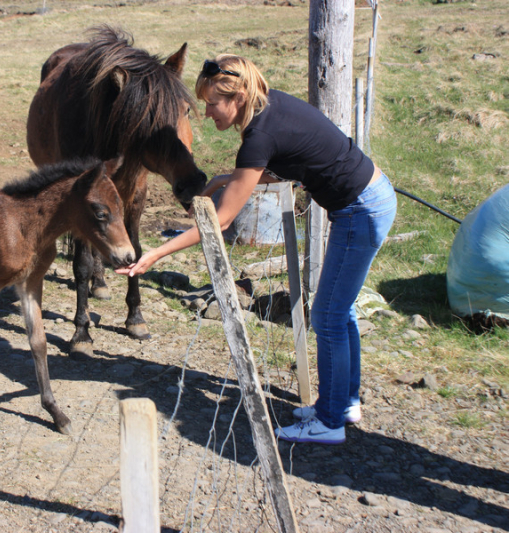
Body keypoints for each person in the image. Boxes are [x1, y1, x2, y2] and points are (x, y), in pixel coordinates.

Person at [114, 54, 397, 445]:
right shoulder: (271, 108)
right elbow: (276, 166)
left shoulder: (258, 136)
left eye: (213, 104)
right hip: (371, 199)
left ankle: (330, 420)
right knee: (339, 311)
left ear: (239, 96)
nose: (208, 113)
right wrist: (225, 179)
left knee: (329, 316)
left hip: (359, 210)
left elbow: (222, 221)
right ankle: (343, 402)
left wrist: (156, 254)